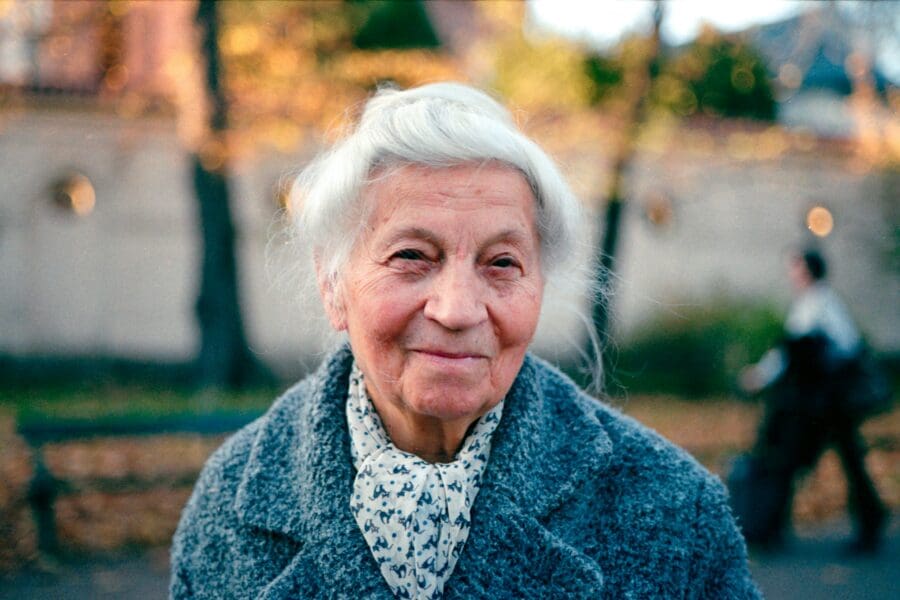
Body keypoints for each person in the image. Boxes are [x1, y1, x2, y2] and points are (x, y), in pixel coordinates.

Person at [170, 82, 760, 598]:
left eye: (501, 263)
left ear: (539, 286)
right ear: (333, 284)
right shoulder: (230, 505)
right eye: (410, 257)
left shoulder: (675, 511)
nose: (455, 310)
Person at [739, 249, 887, 552]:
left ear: (807, 271)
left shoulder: (817, 304)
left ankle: (770, 528)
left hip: (820, 402)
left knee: (790, 458)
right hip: (826, 401)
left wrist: (760, 377)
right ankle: (870, 520)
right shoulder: (820, 303)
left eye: (795, 267)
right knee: (842, 458)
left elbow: (797, 352)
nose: (791, 273)